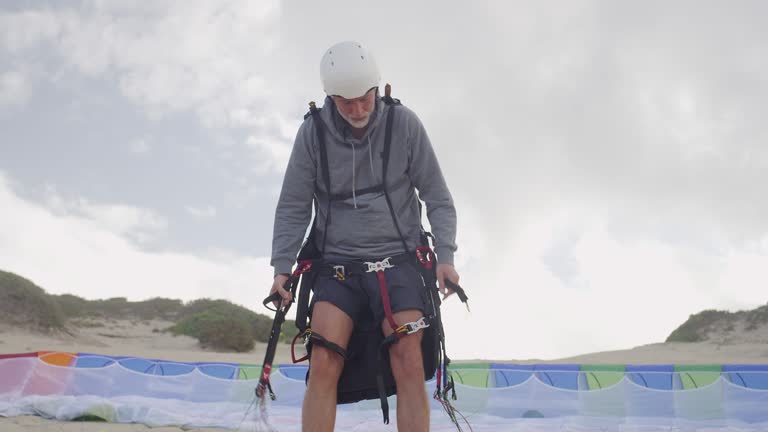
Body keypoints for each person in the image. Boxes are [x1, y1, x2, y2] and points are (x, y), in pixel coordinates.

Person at [269, 41, 460, 432]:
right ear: (329, 97)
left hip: (401, 262)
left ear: (378, 88)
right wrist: (281, 268)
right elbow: (292, 206)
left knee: (408, 357)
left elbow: (438, 197)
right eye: (345, 102)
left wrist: (446, 257)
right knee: (323, 360)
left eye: (364, 98)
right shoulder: (312, 134)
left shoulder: (404, 123)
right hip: (338, 268)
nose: (357, 109)